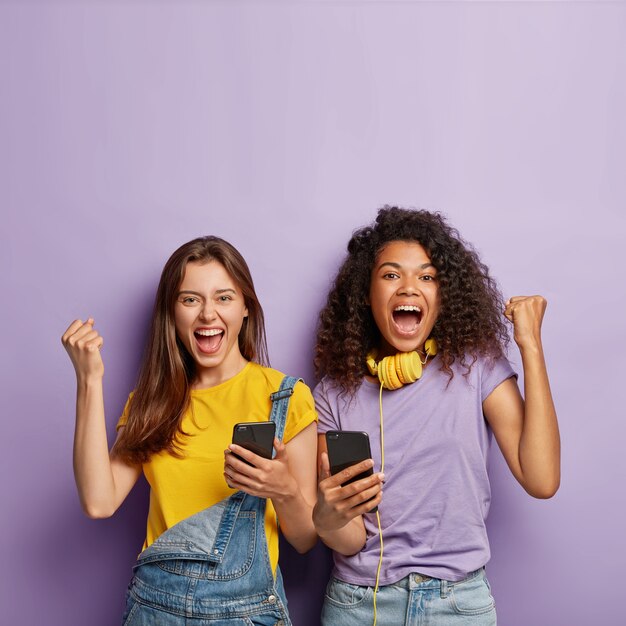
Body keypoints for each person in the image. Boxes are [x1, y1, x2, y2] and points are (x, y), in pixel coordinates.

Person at [312, 207, 560, 625]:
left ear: (443, 294)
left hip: (458, 604)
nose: (409, 287)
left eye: (426, 277)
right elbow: (351, 540)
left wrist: (530, 347)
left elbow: (542, 479)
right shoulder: (332, 394)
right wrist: (327, 516)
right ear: (366, 292)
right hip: (361, 605)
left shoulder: (476, 366)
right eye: (391, 275)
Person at [61, 236, 318, 625]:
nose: (208, 315)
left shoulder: (284, 397)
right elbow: (99, 501)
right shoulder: (151, 402)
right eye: (190, 299)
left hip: (246, 614)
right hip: (153, 611)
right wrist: (89, 381)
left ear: (246, 307)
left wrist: (282, 488)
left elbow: (305, 539)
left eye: (224, 298)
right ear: (173, 312)